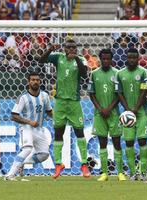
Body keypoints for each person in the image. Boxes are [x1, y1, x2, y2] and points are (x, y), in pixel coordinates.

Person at [39, 39, 90, 179]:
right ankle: (58, 165)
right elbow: (41, 60)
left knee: (79, 132)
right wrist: (50, 49)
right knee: (58, 133)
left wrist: (77, 59)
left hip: (74, 102)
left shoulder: (81, 60)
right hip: (60, 102)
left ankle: (84, 165)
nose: (72, 49)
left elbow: (85, 75)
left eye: (74, 47)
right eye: (69, 47)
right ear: (65, 48)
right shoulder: (58, 57)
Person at [4, 72, 53, 181]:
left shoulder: (45, 95)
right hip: (26, 128)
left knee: (44, 154)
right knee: (27, 149)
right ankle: (10, 175)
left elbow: (49, 111)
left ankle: (23, 163)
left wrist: (57, 118)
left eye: (37, 80)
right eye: (33, 80)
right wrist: (29, 122)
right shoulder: (23, 97)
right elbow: (14, 115)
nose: (35, 82)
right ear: (28, 82)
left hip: (39, 129)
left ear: (40, 82)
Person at [88, 49, 126, 181]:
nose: (105, 61)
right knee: (102, 143)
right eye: (103, 59)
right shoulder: (93, 74)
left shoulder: (117, 73)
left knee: (116, 142)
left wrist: (109, 108)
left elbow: (119, 94)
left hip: (114, 113)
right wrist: (100, 109)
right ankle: (104, 173)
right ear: (99, 59)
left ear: (112, 59)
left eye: (108, 59)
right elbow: (91, 94)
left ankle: (120, 173)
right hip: (99, 114)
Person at [115, 48, 147, 181]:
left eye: (134, 57)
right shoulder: (120, 74)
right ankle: (133, 172)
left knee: (142, 140)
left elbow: (144, 92)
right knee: (129, 142)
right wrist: (128, 109)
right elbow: (119, 93)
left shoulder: (143, 72)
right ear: (126, 58)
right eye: (129, 57)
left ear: (138, 58)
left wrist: (135, 108)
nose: (132, 60)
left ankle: (143, 171)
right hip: (127, 113)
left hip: (141, 112)